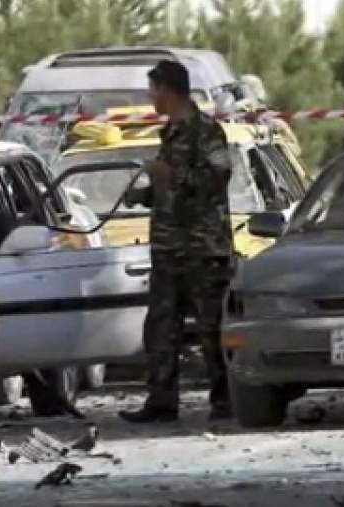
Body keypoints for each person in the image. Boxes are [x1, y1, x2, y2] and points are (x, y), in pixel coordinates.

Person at [119, 60, 235, 423]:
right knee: (161, 327)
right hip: (169, 248)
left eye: (153, 90)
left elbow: (217, 179)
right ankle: (161, 401)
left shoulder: (207, 131)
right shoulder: (168, 133)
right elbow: (170, 191)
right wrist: (146, 193)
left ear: (168, 89)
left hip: (203, 249)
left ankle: (226, 400)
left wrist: (171, 175)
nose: (151, 97)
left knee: (211, 328)